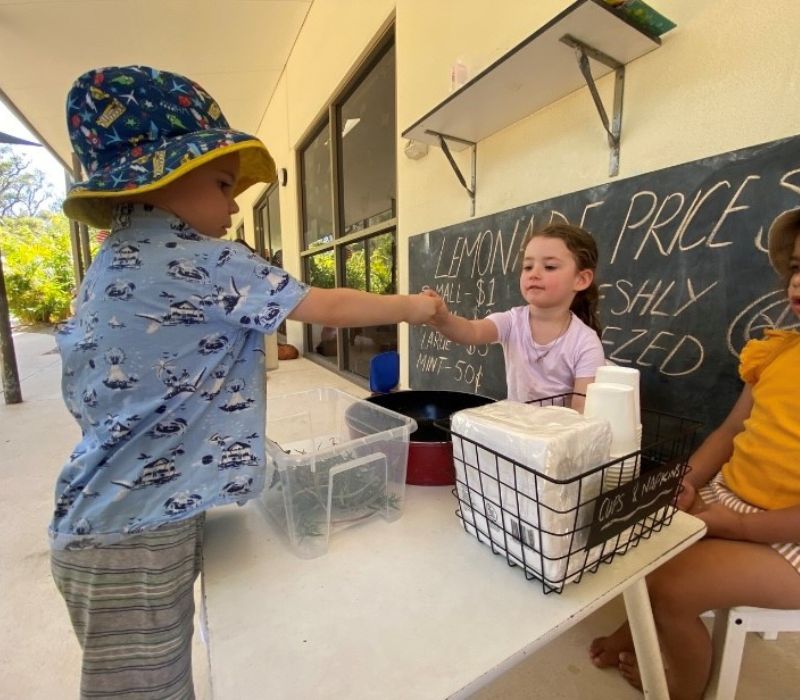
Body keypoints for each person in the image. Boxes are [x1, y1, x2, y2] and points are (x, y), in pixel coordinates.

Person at [49, 65, 440, 699]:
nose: (235, 206)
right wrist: (414, 308)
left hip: (107, 515)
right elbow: (326, 306)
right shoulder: (208, 261)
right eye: (224, 184)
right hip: (137, 535)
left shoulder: (109, 265)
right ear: (163, 177)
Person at [588, 208, 800, 700]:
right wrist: (685, 480)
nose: (797, 281)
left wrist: (735, 526)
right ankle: (638, 631)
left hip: (789, 541)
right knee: (643, 534)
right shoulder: (777, 354)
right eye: (795, 267)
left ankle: (682, 689)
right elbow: (730, 431)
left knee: (674, 587)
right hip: (734, 500)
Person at [425, 223, 604, 410]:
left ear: (581, 279)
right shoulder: (512, 321)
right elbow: (472, 331)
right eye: (528, 267)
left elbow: (582, 412)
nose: (534, 274)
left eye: (549, 267)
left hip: (560, 429)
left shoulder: (586, 342)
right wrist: (443, 319)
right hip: (515, 427)